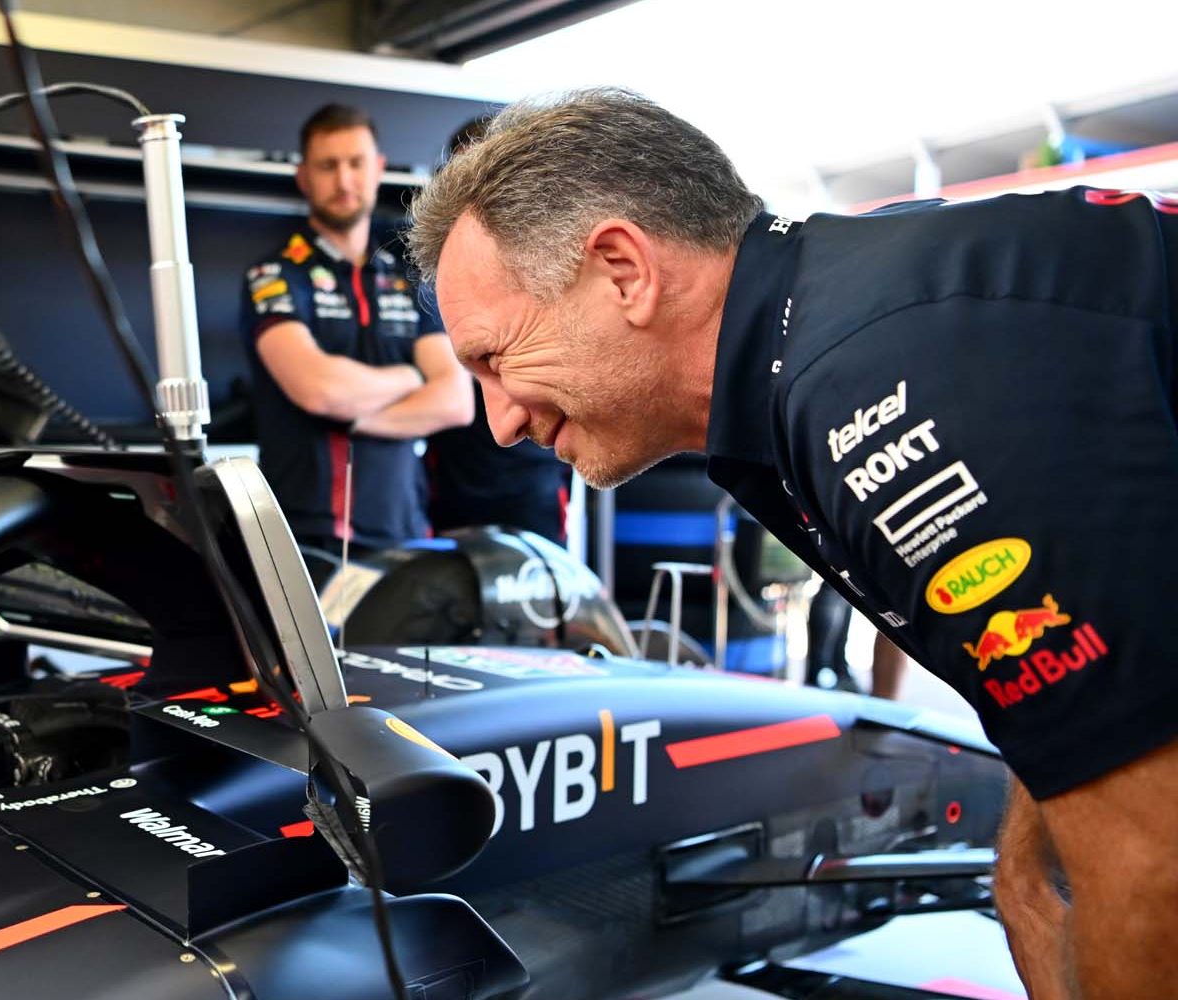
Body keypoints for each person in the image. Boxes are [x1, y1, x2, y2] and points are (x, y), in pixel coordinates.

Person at [409, 87, 1178, 1000]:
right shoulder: (815, 342)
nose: (496, 422)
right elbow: (1074, 673)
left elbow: (1157, 858)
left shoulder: (872, 385)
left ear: (624, 270)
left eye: (498, 358)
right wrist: (1024, 868)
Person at [242, 102, 470, 555]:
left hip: (403, 526)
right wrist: (409, 378)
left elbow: (455, 400)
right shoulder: (274, 273)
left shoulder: (409, 275)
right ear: (304, 176)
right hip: (304, 535)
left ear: (378, 168)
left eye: (356, 163)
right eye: (328, 166)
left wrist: (357, 419)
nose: (344, 180)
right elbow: (320, 391)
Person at [422, 113, 572, 544]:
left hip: (534, 480)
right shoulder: (428, 277)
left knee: (542, 604)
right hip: (452, 485)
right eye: (464, 180)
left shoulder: (554, 270)